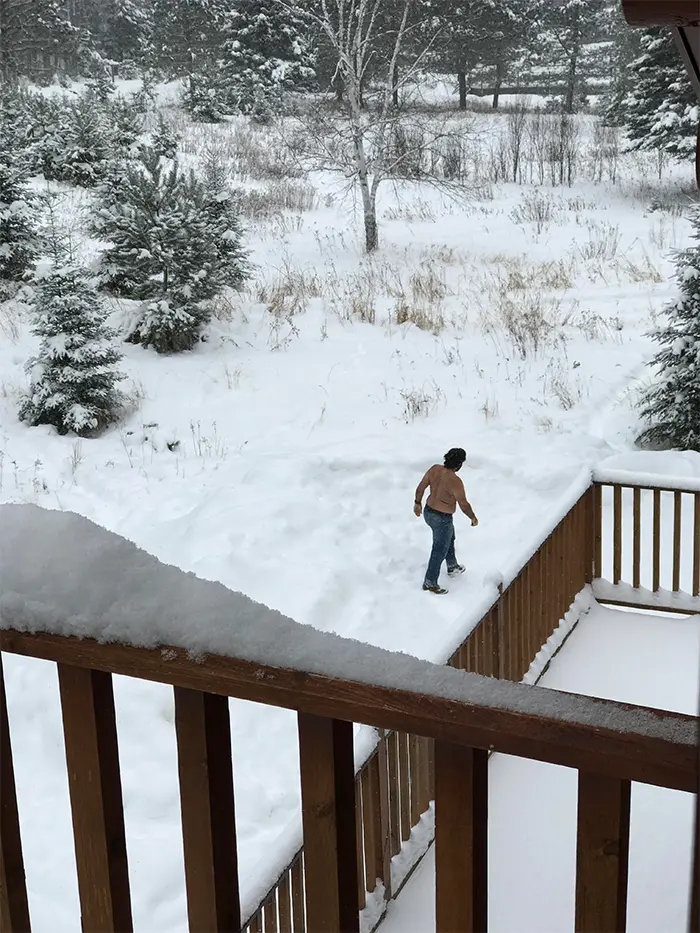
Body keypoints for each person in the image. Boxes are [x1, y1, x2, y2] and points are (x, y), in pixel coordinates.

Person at [414, 448, 478, 594]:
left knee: (449, 537)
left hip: (428, 512)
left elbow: (420, 488)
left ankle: (452, 566)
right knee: (439, 549)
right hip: (442, 518)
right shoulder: (455, 481)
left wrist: (417, 503)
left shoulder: (434, 469)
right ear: (459, 464)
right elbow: (463, 504)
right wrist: (472, 517)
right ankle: (430, 582)